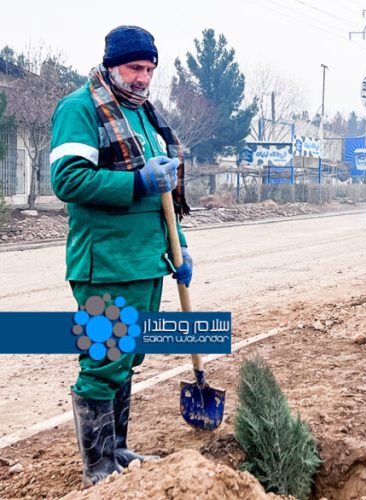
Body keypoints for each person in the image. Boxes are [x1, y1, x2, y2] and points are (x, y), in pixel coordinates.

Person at [50, 26, 193, 487]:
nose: (143, 78)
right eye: (135, 68)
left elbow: (164, 193)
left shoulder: (144, 116)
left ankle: (117, 450)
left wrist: (179, 244)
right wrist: (138, 183)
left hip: (147, 261)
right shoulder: (81, 108)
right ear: (112, 64)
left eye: (150, 69)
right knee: (103, 362)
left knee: (126, 357)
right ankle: (98, 469)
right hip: (107, 261)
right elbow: (68, 180)